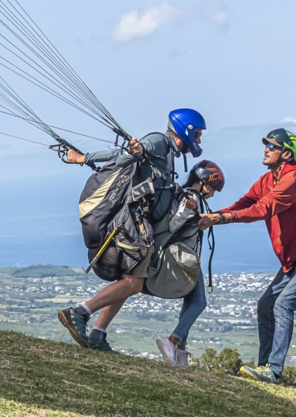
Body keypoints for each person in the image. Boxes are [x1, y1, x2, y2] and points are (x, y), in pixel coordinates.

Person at [58, 108, 206, 352]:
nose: (199, 140)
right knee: (133, 284)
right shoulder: (158, 142)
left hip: (142, 226)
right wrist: (83, 158)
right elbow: (123, 155)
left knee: (126, 282)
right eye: (198, 133)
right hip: (135, 226)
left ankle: (98, 333)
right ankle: (79, 312)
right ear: (186, 130)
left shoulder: (169, 153)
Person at [198, 128, 296, 383]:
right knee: (265, 306)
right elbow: (246, 202)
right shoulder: (267, 180)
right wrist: (213, 216)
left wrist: (218, 218)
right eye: (267, 145)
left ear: (286, 153)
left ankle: (273, 371)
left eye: (272, 146)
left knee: (284, 304)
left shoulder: (291, 180)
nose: (266, 149)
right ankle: (263, 367)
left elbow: (263, 208)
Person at [154, 160, 225, 366]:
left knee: (191, 301)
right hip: (184, 257)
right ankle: (173, 341)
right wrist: (186, 211)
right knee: (199, 302)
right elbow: (174, 224)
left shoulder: (190, 196)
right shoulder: (190, 197)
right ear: (202, 182)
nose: (213, 193)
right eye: (212, 187)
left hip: (185, 256)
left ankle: (180, 350)